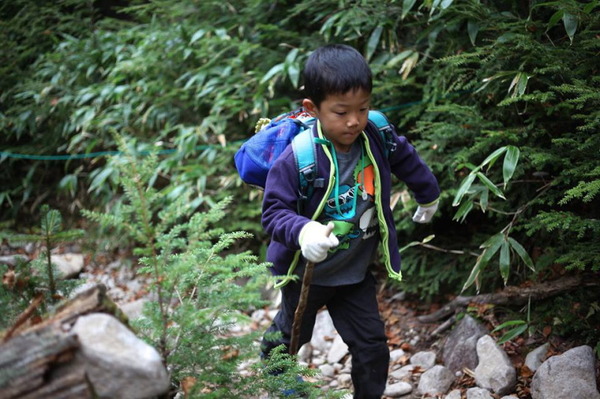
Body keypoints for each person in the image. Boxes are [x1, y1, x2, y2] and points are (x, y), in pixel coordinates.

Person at [260, 44, 440, 398]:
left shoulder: (375, 134)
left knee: (372, 345)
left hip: (354, 273)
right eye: (341, 112)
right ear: (312, 109)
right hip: (305, 274)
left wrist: (427, 193)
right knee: (290, 336)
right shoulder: (298, 157)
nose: (354, 121)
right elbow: (273, 213)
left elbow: (404, 156)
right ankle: (279, 381)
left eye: (363, 108)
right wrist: (303, 230)